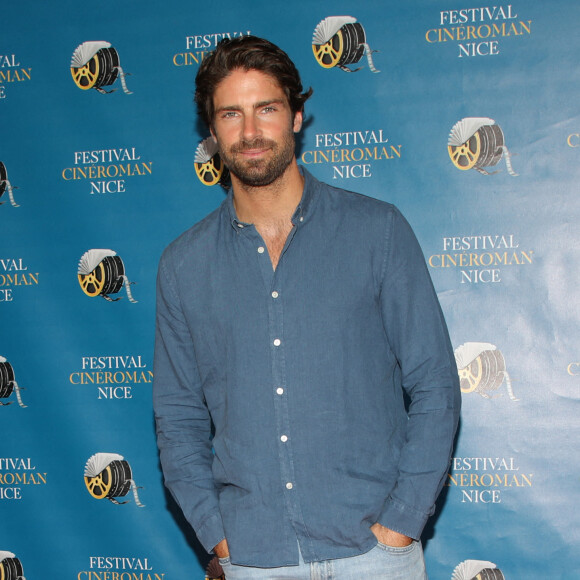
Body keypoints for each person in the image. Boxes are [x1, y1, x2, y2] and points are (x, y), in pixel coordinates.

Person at [153, 35, 461, 579]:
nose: (250, 132)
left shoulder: (377, 231)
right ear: (212, 131)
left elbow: (435, 384)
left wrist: (401, 525)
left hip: (374, 558)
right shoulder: (183, 265)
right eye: (231, 114)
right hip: (254, 558)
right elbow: (178, 420)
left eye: (266, 109)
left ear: (296, 116)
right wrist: (219, 537)